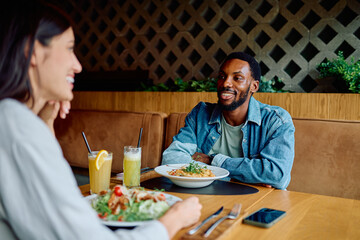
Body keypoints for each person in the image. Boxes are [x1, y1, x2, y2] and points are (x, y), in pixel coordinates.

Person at [0, 1, 201, 239]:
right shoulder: (17, 125)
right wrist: (174, 219)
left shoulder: (15, 121)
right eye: (69, 48)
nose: (78, 65)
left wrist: (46, 124)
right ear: (31, 51)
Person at [162, 52, 295, 190]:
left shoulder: (276, 121)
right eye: (222, 76)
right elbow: (171, 159)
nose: (226, 83)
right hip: (205, 197)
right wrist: (235, 178)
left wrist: (212, 160)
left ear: (254, 86)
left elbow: (277, 175)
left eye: (237, 78)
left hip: (260, 201)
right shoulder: (200, 114)